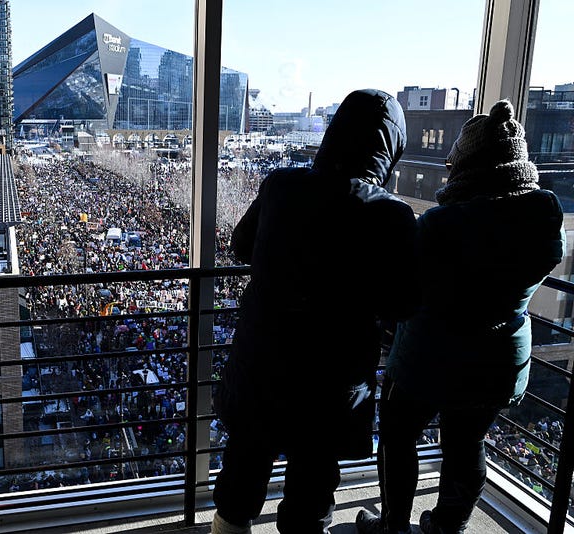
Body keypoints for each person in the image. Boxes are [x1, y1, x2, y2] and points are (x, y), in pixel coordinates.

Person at [211, 88, 420, 534]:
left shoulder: (282, 186)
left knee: (241, 479)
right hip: (330, 384)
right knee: (311, 495)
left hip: (260, 364)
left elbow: (241, 244)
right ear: (391, 147)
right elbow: (403, 303)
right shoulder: (392, 216)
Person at [355, 99, 566, 534]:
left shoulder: (441, 225)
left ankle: (394, 525)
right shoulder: (545, 220)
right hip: (501, 360)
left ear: (471, 165)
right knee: (468, 442)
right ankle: (450, 524)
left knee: (398, 438)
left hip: (429, 357)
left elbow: (406, 289)